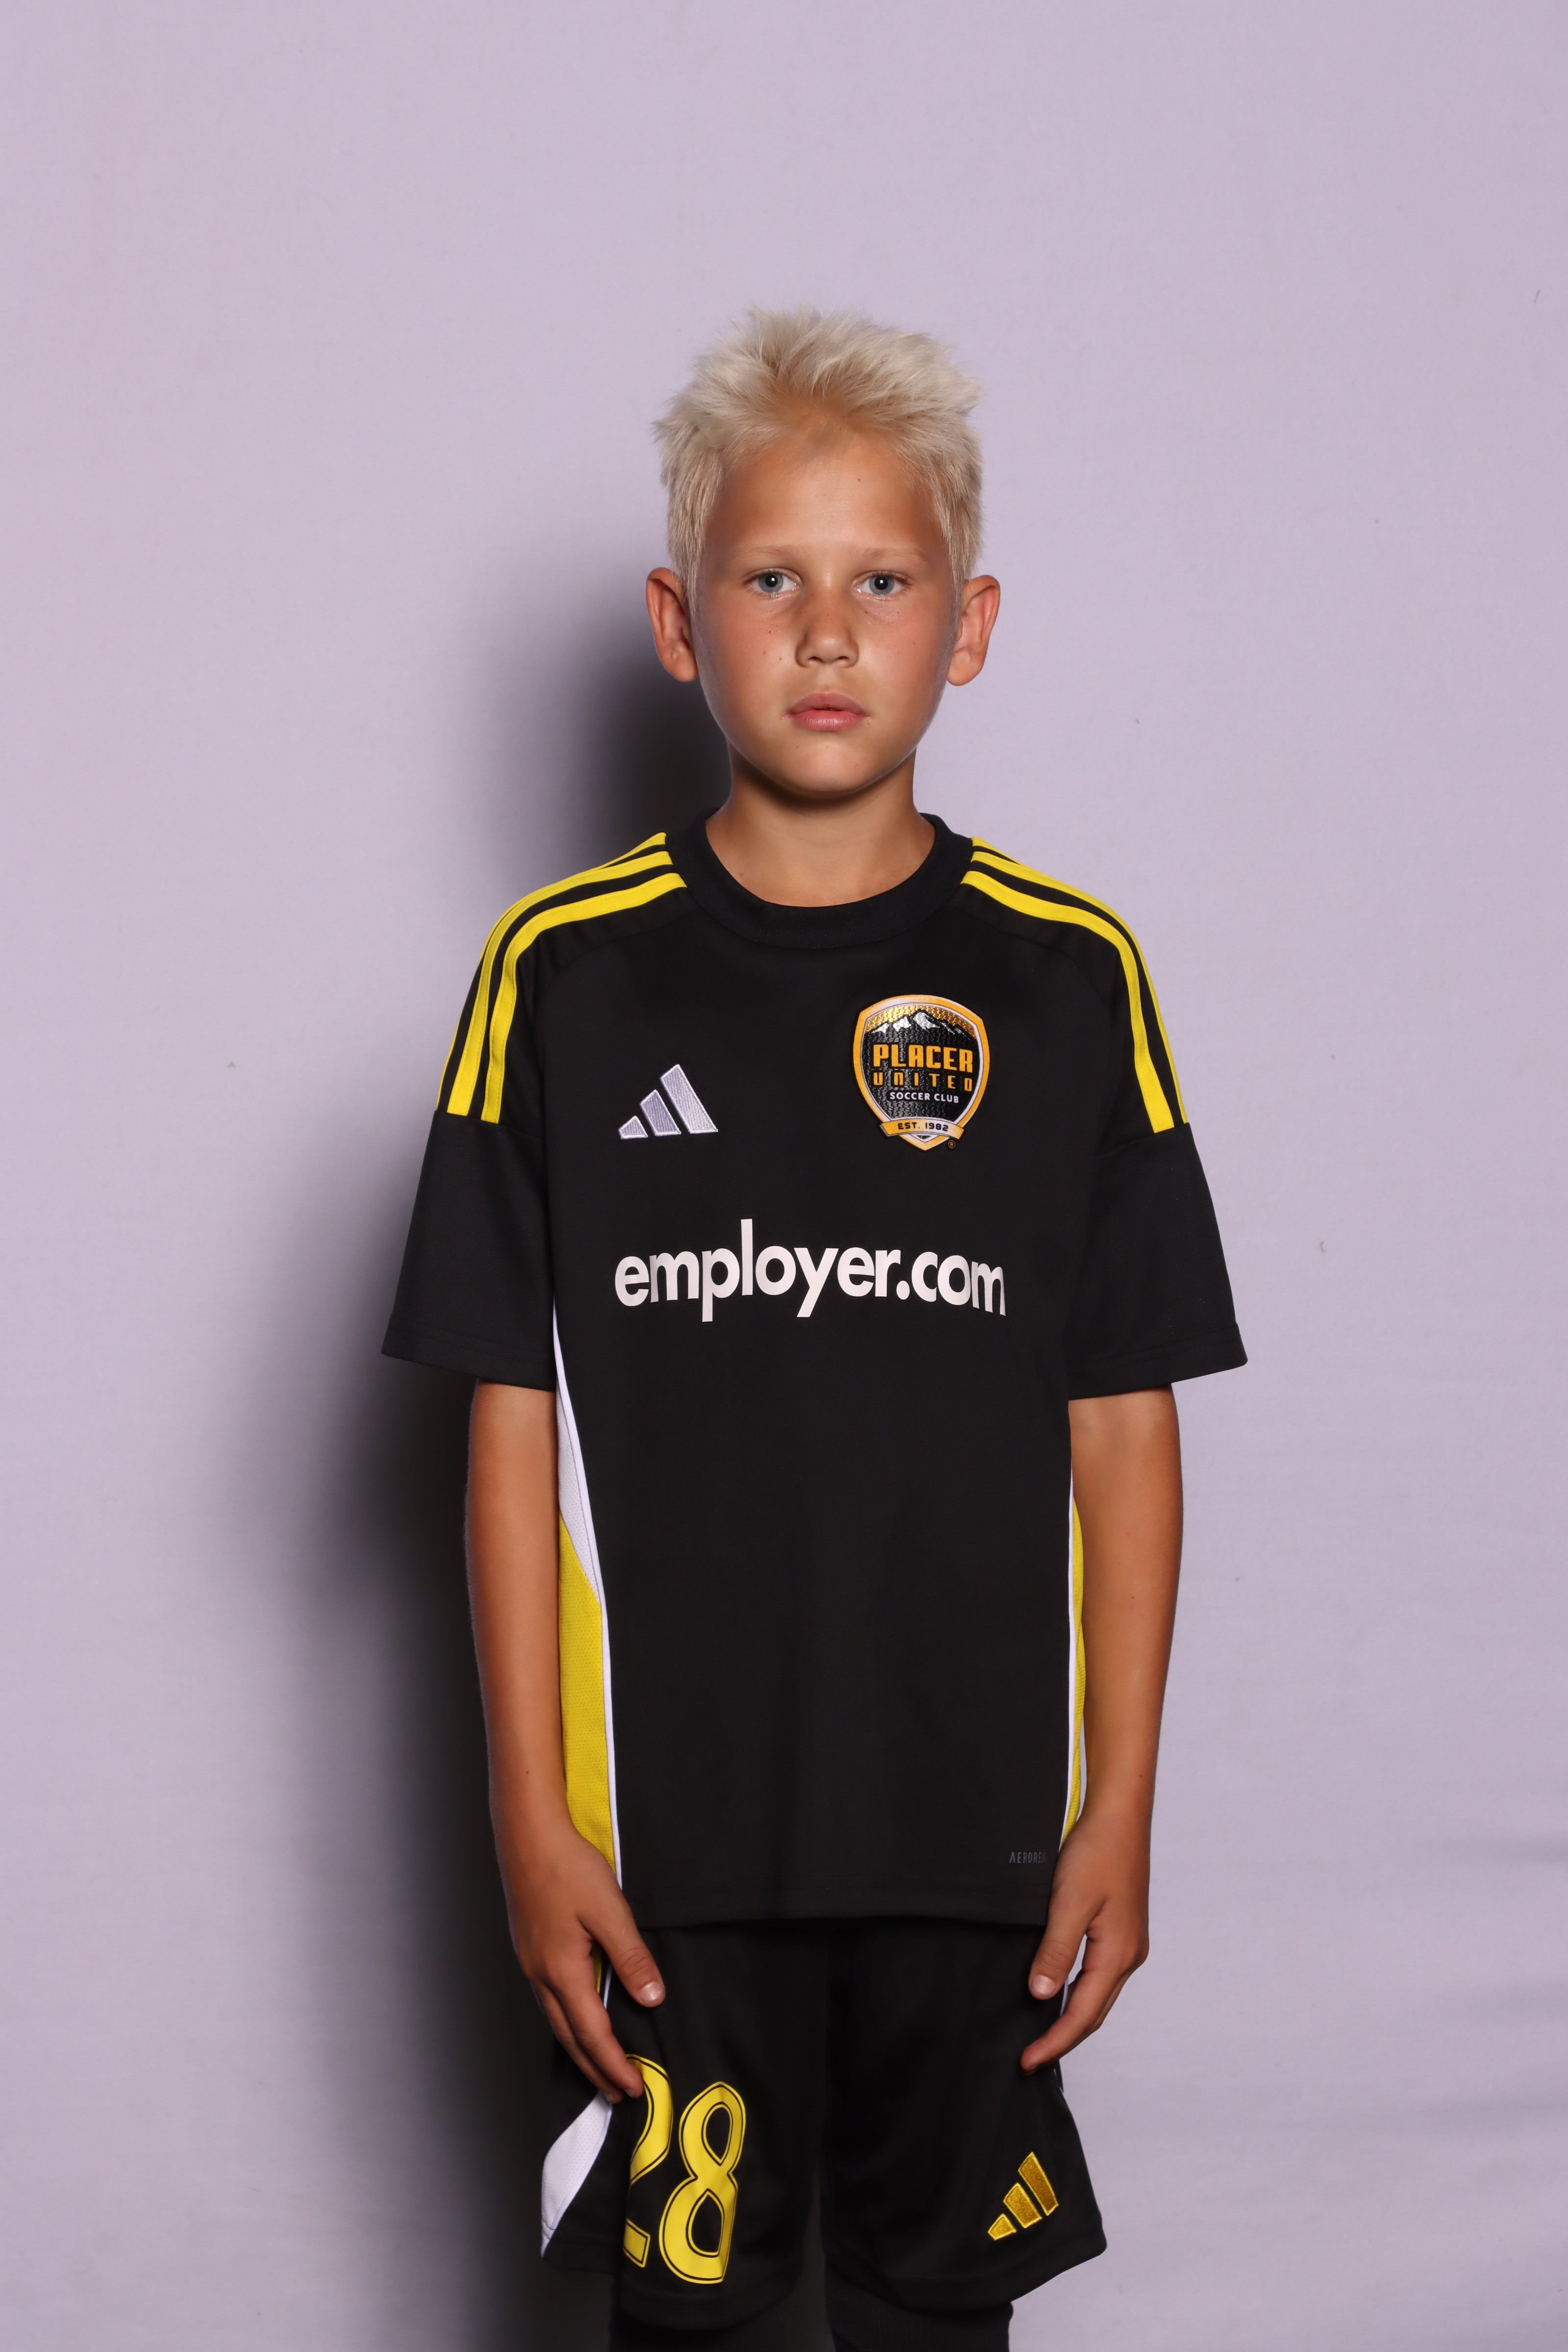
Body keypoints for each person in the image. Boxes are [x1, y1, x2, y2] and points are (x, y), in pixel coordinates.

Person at [384, 307, 1245, 2352]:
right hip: (664, 1868)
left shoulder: (1066, 979)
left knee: (937, 2324)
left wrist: (1120, 1802)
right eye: (772, 579)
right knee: (691, 2334)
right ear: (679, 625)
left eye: (884, 582)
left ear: (972, 626)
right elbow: (506, 1419)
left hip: (975, 1857)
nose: (830, 632)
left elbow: (1121, 1419)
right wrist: (529, 1818)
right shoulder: (562, 976)